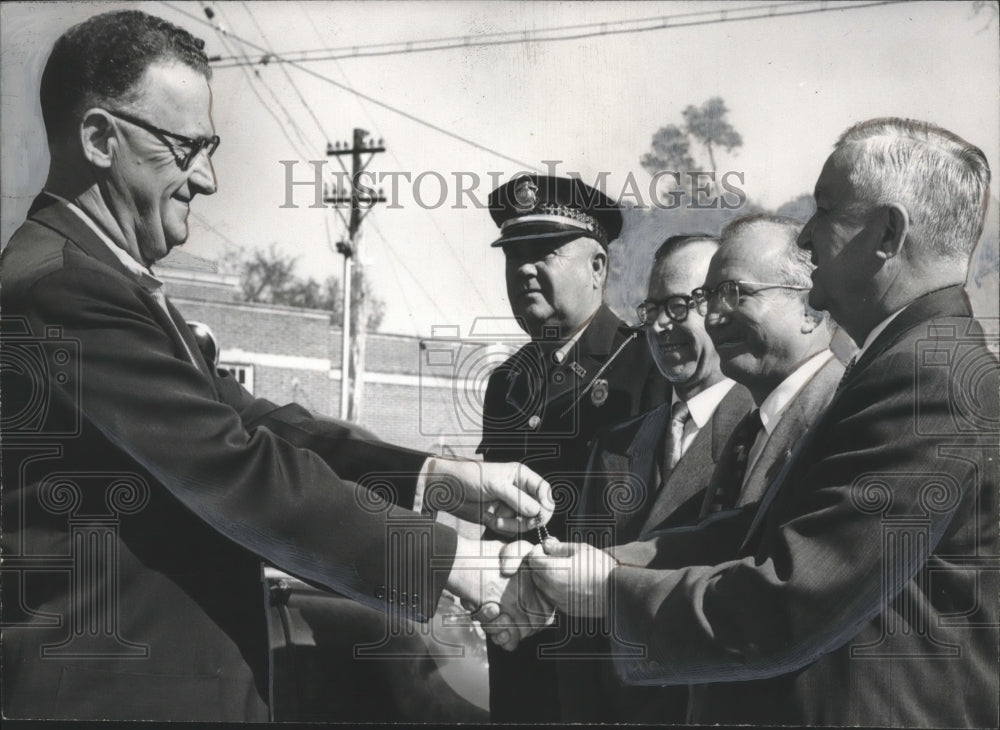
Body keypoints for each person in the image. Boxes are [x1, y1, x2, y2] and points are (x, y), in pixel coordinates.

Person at [0, 10, 551, 721]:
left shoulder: (102, 277)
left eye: (212, 147)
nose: (209, 178)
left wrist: (435, 479)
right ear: (101, 138)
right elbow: (237, 470)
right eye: (185, 147)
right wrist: (454, 565)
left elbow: (257, 425)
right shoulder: (61, 286)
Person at [522, 119, 999, 726]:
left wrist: (604, 593)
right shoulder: (908, 365)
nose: (804, 235)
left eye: (824, 211)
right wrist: (614, 564)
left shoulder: (927, 381)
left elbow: (792, 600)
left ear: (887, 233)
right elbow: (769, 527)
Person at [477, 174, 666, 721]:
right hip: (519, 641)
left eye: (545, 252)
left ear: (597, 268)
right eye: (514, 256)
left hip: (607, 651)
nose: (525, 270)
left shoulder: (647, 367)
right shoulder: (508, 381)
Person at [554, 234, 754, 722]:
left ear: (719, 308)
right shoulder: (616, 445)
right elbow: (582, 611)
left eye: (680, 306)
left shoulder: (763, 430)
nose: (661, 325)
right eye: (651, 309)